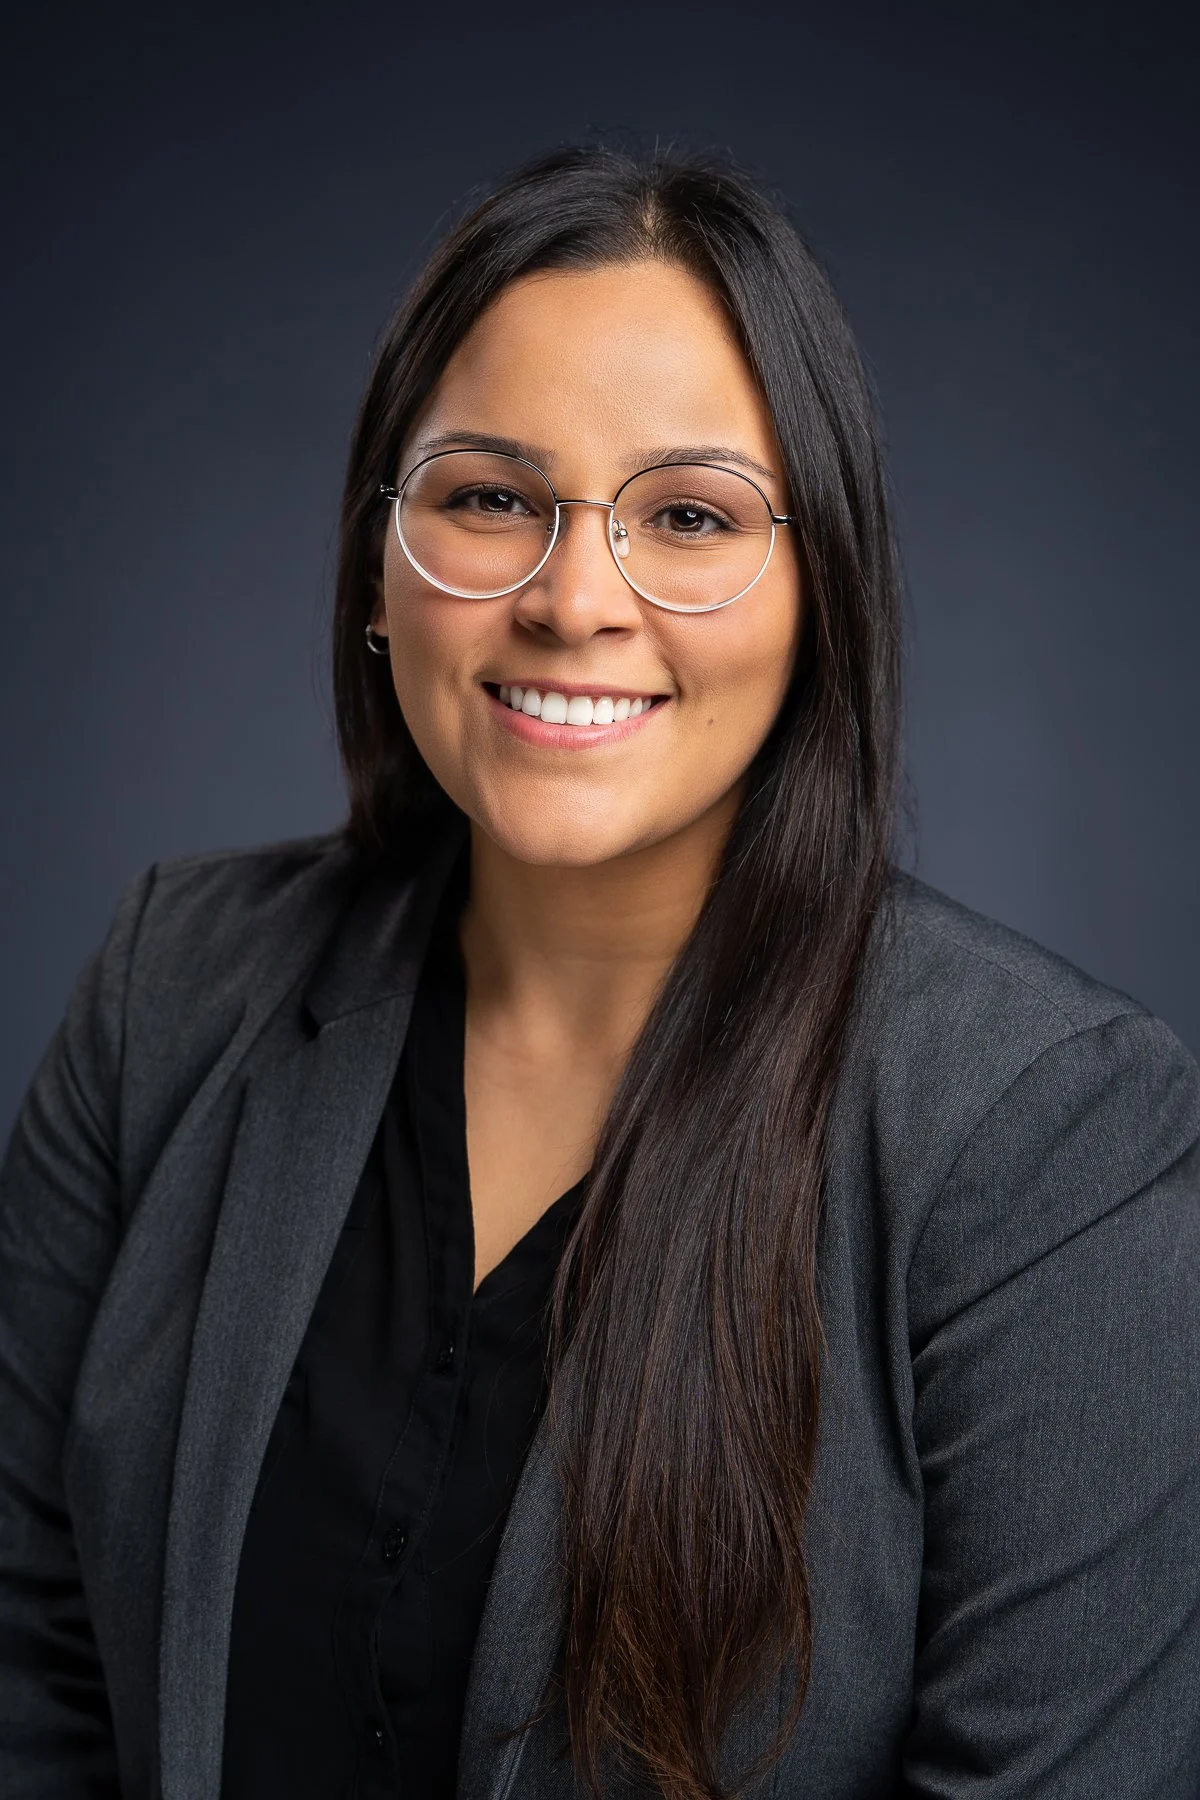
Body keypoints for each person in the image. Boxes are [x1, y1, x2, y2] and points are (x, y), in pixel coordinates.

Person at [1, 141, 1198, 1800]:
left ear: (821, 594)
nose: (573, 601)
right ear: (375, 564)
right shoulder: (168, 992)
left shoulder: (1049, 1144)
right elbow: (27, 1676)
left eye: (690, 518)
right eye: (491, 497)